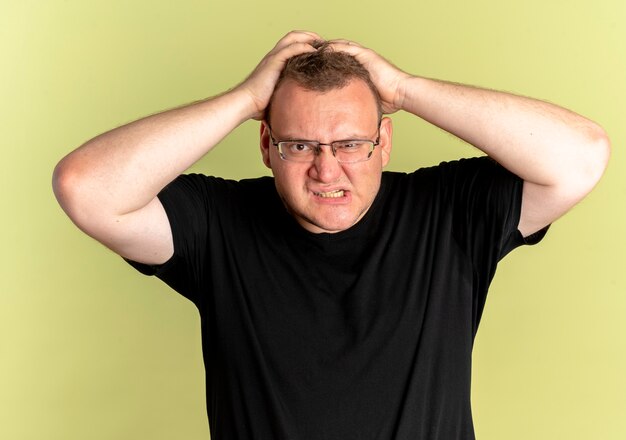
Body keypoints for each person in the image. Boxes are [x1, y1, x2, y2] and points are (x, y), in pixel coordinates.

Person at [53, 31, 610, 439]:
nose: (326, 169)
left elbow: (581, 156)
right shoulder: (218, 223)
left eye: (349, 144)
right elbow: (86, 188)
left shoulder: (448, 213)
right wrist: (246, 99)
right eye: (299, 145)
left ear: (383, 142)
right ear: (267, 144)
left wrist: (405, 87)